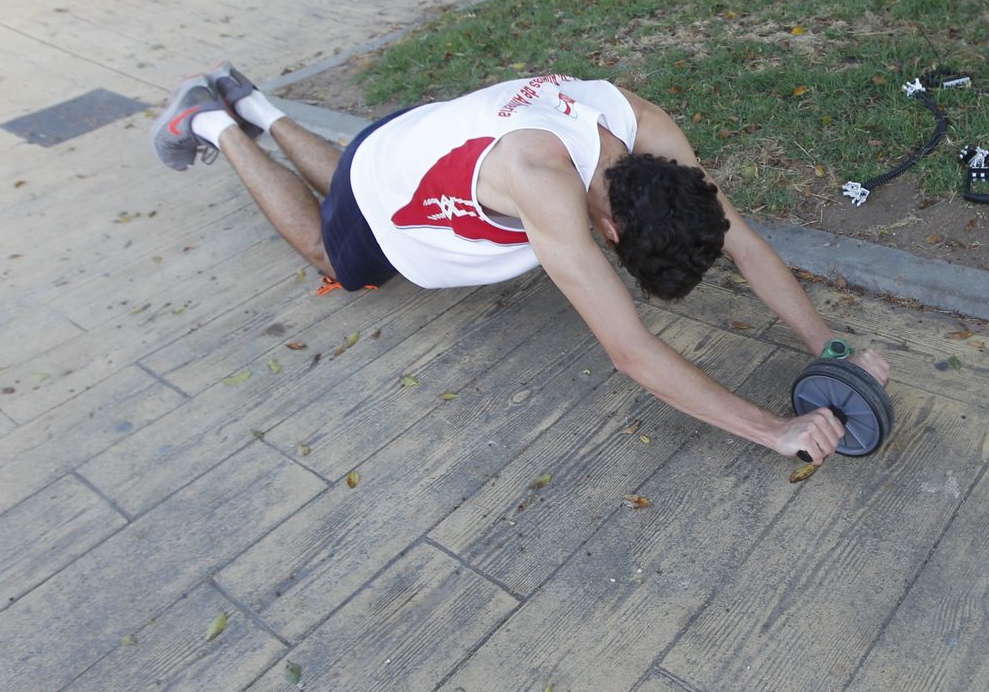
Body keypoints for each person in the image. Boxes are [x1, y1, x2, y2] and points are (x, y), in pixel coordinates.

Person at [151, 68, 888, 463]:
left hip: (412, 133)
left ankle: (254, 100)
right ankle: (212, 119)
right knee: (332, 249)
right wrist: (773, 430)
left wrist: (835, 350)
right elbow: (630, 351)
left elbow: (743, 240)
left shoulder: (643, 130)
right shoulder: (547, 183)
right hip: (391, 189)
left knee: (349, 174)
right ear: (608, 225)